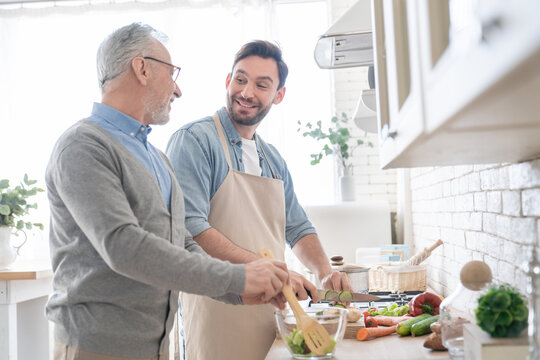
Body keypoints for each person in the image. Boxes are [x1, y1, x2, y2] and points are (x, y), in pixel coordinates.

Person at [45, 24, 291, 360]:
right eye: (172, 73)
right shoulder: (83, 146)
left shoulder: (156, 157)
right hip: (95, 347)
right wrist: (238, 275)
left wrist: (238, 290)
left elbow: (183, 243)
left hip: (155, 346)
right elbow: (125, 246)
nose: (177, 91)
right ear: (142, 68)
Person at [166, 40, 352, 360]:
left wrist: (323, 272)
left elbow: (297, 226)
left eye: (261, 85)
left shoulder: (273, 158)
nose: (247, 92)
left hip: (271, 316)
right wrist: (268, 270)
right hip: (216, 316)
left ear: (278, 95)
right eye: (240, 79)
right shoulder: (195, 141)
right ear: (228, 81)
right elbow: (189, 227)